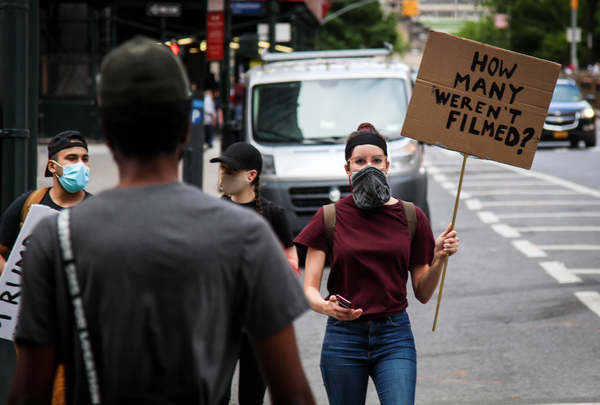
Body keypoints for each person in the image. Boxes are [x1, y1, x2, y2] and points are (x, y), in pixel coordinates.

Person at [8, 36, 315, 405]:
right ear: (187, 129)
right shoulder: (247, 234)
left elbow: (28, 392)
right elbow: (292, 392)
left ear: (105, 130)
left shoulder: (53, 239)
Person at [294, 122, 460, 405]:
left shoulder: (411, 216)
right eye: (360, 161)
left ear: (387, 165)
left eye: (376, 160)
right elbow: (309, 288)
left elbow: (422, 292)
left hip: (394, 337)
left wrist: (439, 259)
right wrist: (327, 307)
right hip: (343, 338)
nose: (368, 166)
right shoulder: (329, 217)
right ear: (347, 168)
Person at [210, 141, 299, 405]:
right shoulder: (212, 212)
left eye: (230, 171)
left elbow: (292, 261)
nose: (223, 176)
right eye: (222, 169)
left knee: (252, 397)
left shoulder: (273, 214)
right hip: (221, 324)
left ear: (251, 176)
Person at [0, 130, 92, 275]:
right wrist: (13, 279)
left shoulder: (96, 209)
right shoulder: (28, 203)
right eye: (72, 158)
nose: (81, 165)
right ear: (52, 166)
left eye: (85, 159)